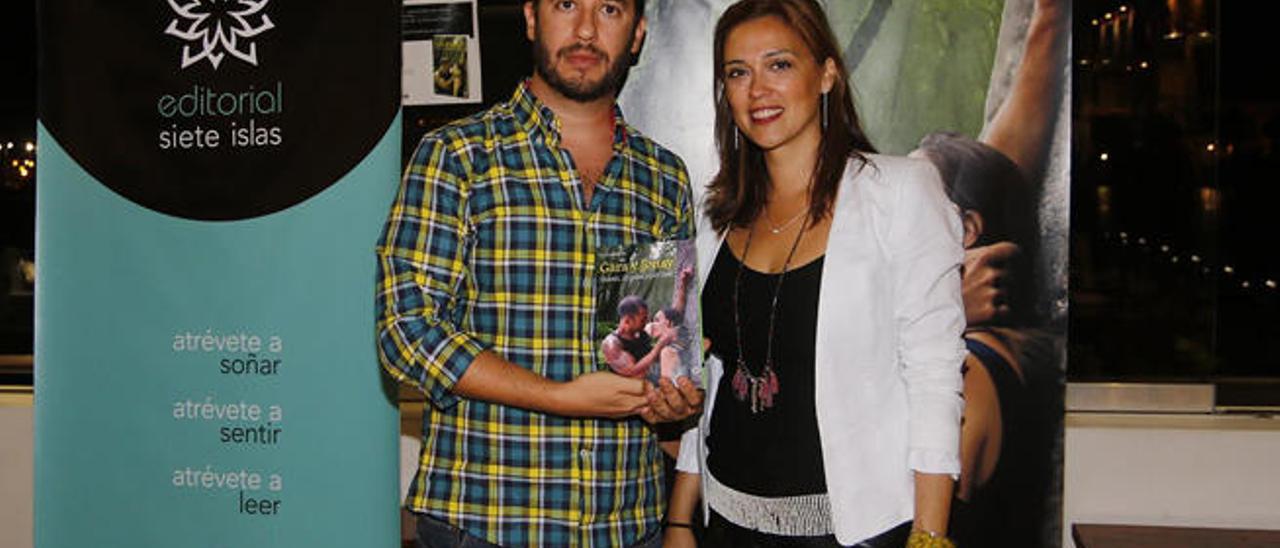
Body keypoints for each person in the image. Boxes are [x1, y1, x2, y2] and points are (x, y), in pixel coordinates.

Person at [375, 1, 704, 546]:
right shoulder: (458, 156)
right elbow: (406, 332)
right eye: (566, 4)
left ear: (638, 33)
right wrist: (558, 396)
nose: (585, 29)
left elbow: (652, 347)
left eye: (610, 9)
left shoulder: (663, 177)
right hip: (486, 523)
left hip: (626, 524)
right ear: (531, 19)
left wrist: (670, 398)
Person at [665, 1, 966, 547]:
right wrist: (681, 518)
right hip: (726, 525)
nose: (757, 89)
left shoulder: (899, 194)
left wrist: (929, 536)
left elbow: (936, 376)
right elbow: (707, 381)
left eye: (779, 65)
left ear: (826, 74)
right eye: (738, 72)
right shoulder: (716, 217)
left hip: (853, 532)